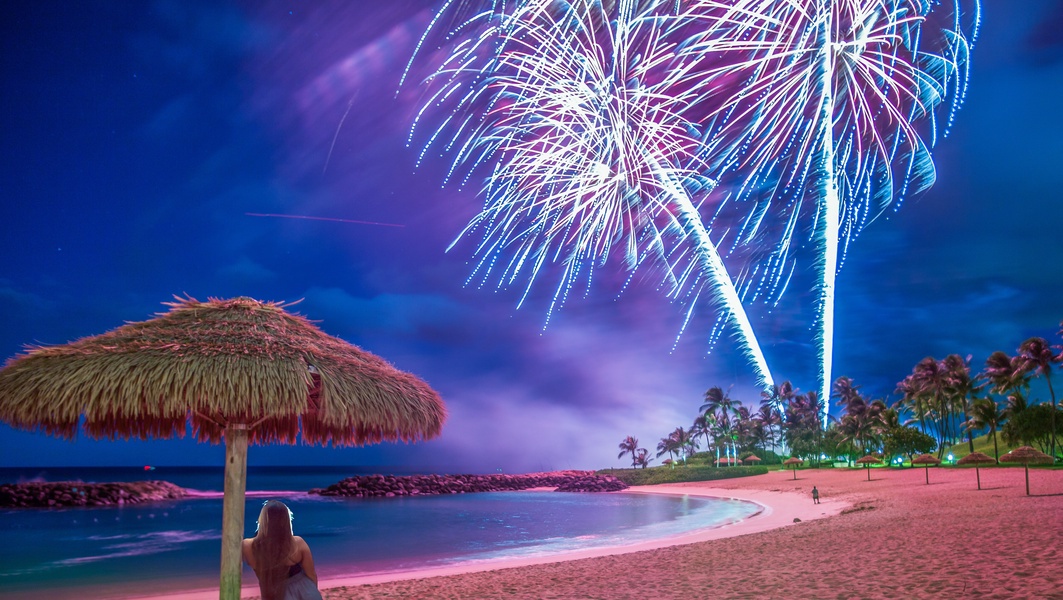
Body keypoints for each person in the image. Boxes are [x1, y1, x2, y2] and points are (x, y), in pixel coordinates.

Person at [242, 500, 323, 600]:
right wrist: (312, 592)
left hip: (274, 593)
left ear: (262, 520)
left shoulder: (247, 546)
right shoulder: (297, 543)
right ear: (286, 521)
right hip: (306, 591)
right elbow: (311, 575)